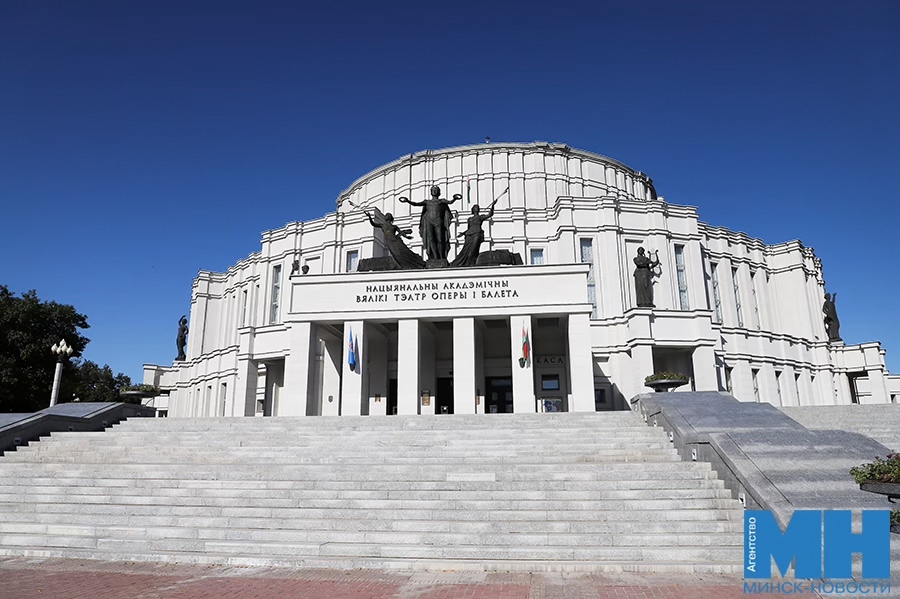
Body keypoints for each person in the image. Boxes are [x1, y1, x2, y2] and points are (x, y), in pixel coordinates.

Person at [398, 185, 460, 261]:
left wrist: (455, 198)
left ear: (439, 192)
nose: (434, 191)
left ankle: (441, 257)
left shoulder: (441, 201)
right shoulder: (427, 202)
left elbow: (450, 202)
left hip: (438, 222)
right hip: (429, 222)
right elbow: (416, 204)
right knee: (431, 239)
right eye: (433, 190)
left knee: (440, 239)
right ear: (431, 192)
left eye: (436, 190)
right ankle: (435, 256)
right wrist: (407, 201)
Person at [451, 199, 498, 267]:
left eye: (477, 207)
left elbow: (490, 214)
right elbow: (469, 228)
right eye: (475, 207)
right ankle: (464, 263)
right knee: (465, 250)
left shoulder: (480, 217)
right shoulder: (470, 219)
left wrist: (493, 205)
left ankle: (471, 263)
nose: (476, 208)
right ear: (472, 210)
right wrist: (463, 233)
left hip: (477, 234)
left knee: (473, 250)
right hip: (469, 236)